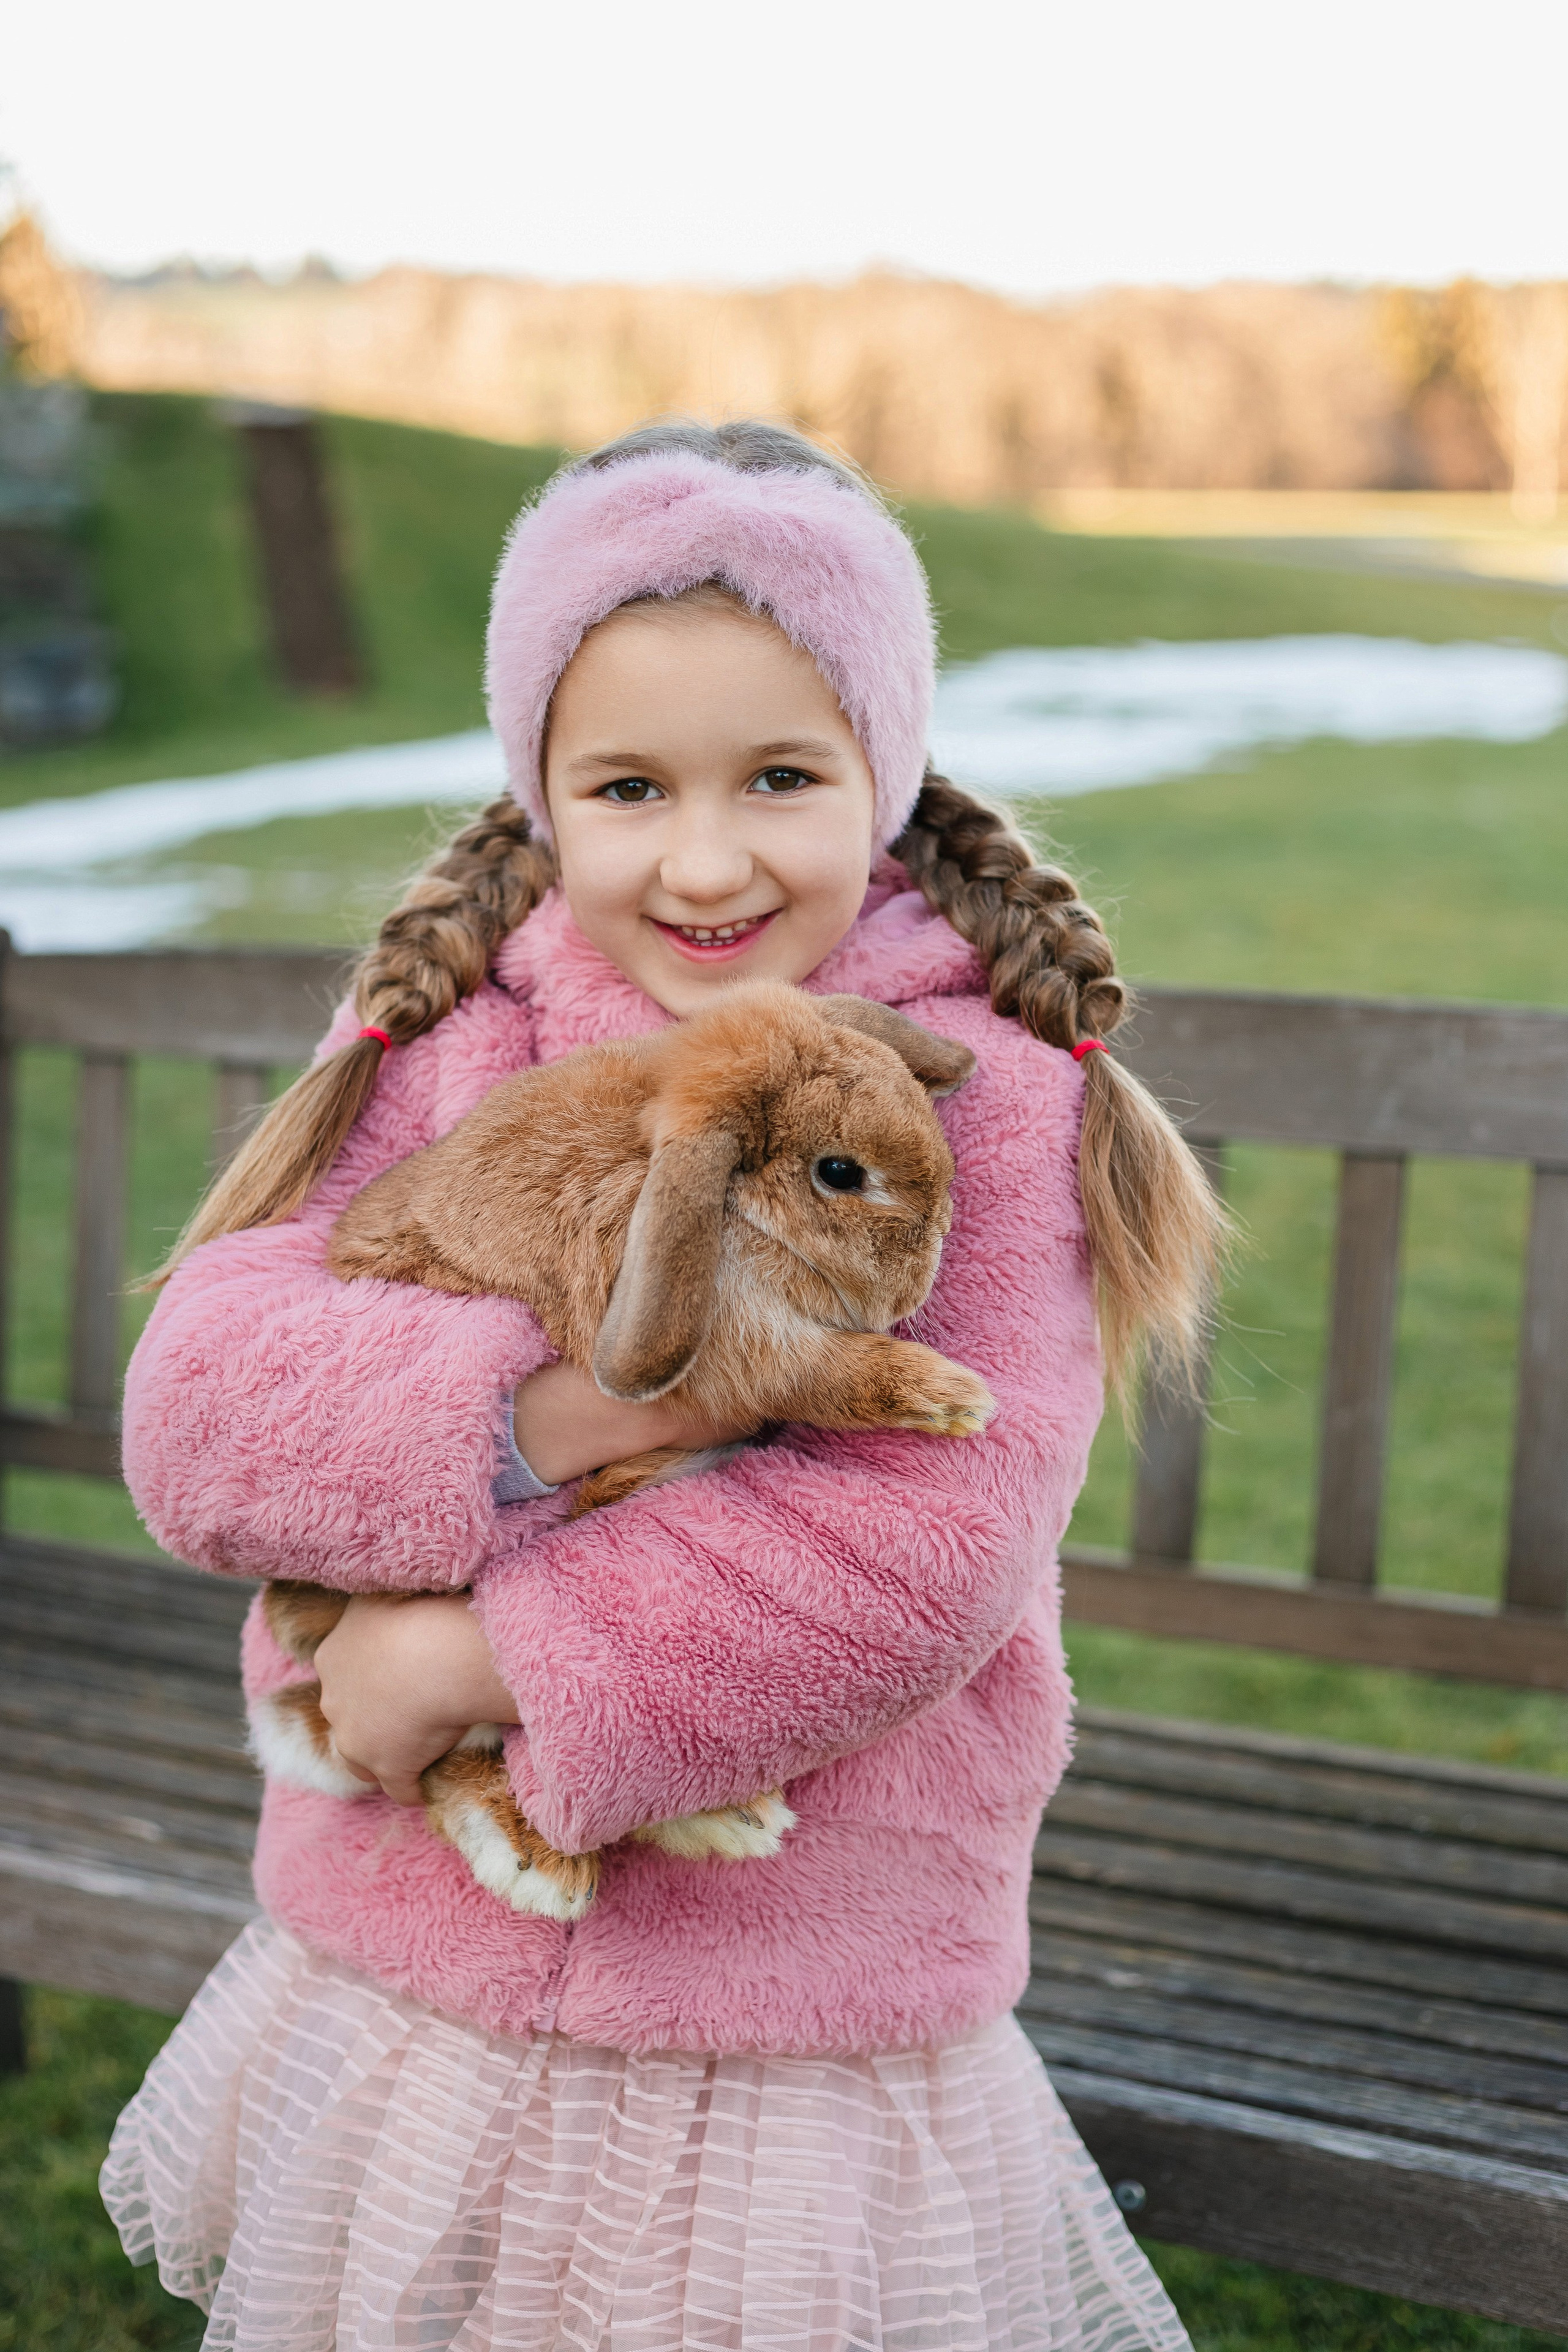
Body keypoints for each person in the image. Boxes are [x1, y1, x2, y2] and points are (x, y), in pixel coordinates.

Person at [101, 421, 1219, 2351]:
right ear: (542, 800)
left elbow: (918, 1556)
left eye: (780, 777)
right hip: (418, 1967)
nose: (706, 859)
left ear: (884, 780)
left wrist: (479, 1660)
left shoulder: (975, 1100)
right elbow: (204, 1407)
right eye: (629, 785)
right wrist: (550, 1419)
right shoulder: (458, 1032)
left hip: (781, 2002)